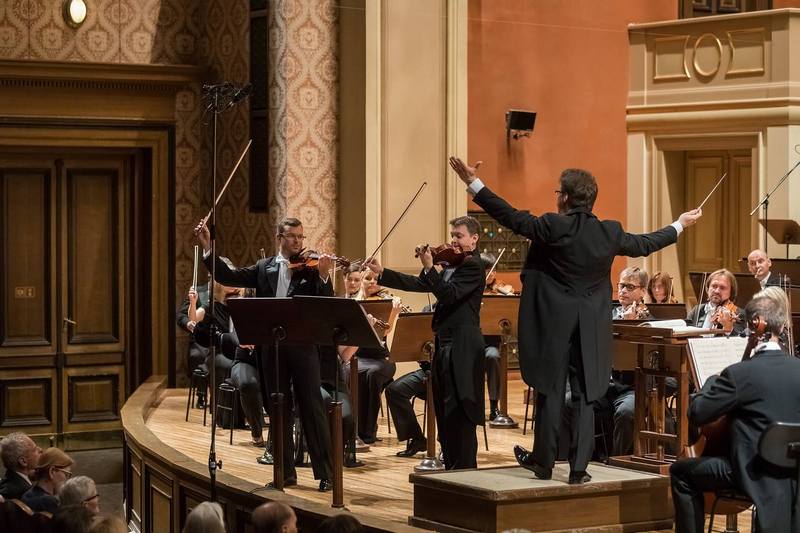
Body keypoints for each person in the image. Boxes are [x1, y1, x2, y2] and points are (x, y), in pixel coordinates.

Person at [449, 156, 701, 483]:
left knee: (550, 391)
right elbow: (645, 243)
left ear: (565, 197)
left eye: (558, 192)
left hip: (553, 325)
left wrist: (473, 183)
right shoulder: (609, 232)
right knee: (585, 395)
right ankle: (579, 470)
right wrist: (679, 224)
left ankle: (544, 461)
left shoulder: (553, 225)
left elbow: (510, 216)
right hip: (591, 327)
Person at [196, 216, 335, 491]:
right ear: (279, 237)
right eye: (292, 236)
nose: (298, 241)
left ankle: (326, 473)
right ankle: (284, 473)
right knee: (277, 406)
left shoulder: (310, 270)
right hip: (272, 347)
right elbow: (227, 276)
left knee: (312, 407)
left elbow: (325, 302)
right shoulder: (264, 268)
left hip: (303, 348)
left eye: (301, 237)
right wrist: (208, 248)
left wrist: (323, 274)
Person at [670, 288, 800, 532]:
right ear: (781, 328)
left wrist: (709, 383)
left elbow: (698, 413)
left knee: (681, 472)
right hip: (794, 473)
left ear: (751, 326)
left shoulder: (740, 374)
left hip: (752, 471)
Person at [366, 216, 486, 470]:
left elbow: (449, 294)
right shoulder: (452, 265)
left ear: (474, 239)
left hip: (463, 345)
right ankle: (452, 467)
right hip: (444, 344)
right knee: (444, 409)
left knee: (460, 409)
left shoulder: (473, 266)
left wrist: (431, 267)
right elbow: (420, 284)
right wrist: (382, 273)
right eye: (452, 234)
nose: (453, 240)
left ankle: (465, 470)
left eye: (459, 235)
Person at [609, 267, 653, 456]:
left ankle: (618, 462)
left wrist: (631, 326)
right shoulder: (607, 314)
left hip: (632, 387)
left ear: (643, 291)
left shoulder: (649, 322)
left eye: (629, 286)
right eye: (621, 285)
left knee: (627, 412)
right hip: (604, 383)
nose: (623, 291)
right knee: (571, 402)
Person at [480, 252, 511, 421]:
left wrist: (505, 295)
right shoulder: (473, 289)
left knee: (492, 356)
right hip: (472, 341)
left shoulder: (501, 288)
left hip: (491, 342)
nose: (490, 274)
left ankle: (493, 406)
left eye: (492, 270)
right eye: (486, 271)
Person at [176, 276, 211, 408]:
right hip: (201, 341)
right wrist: (189, 323)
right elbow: (181, 316)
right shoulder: (198, 291)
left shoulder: (231, 292)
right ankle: (201, 393)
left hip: (220, 337)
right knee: (197, 356)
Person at [686, 269, 745, 334]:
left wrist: (729, 328)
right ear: (708, 289)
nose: (717, 291)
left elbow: (741, 340)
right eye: (714, 286)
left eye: (722, 288)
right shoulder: (697, 309)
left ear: (731, 292)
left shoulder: (740, 314)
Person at [22, 447, 74, 514]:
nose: (67, 479)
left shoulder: (26, 495)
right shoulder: (50, 502)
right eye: (66, 474)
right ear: (52, 471)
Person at [0, 432, 41, 500]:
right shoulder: (22, 492)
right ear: (23, 461)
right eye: (35, 449)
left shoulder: (7, 480)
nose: (40, 450)